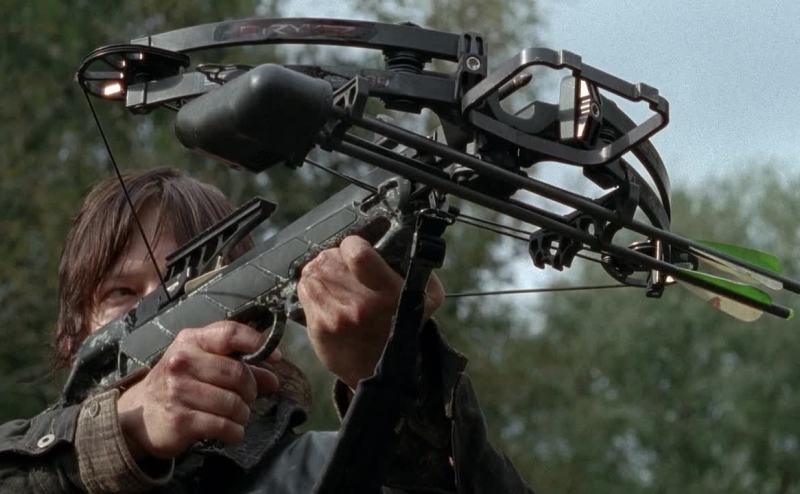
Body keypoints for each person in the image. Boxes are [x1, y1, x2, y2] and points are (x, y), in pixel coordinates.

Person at [0, 168, 534, 493]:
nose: (166, 327)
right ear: (72, 340)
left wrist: (392, 371)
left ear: (253, 322)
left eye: (189, 291)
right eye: (121, 293)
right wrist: (125, 432)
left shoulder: (328, 470)